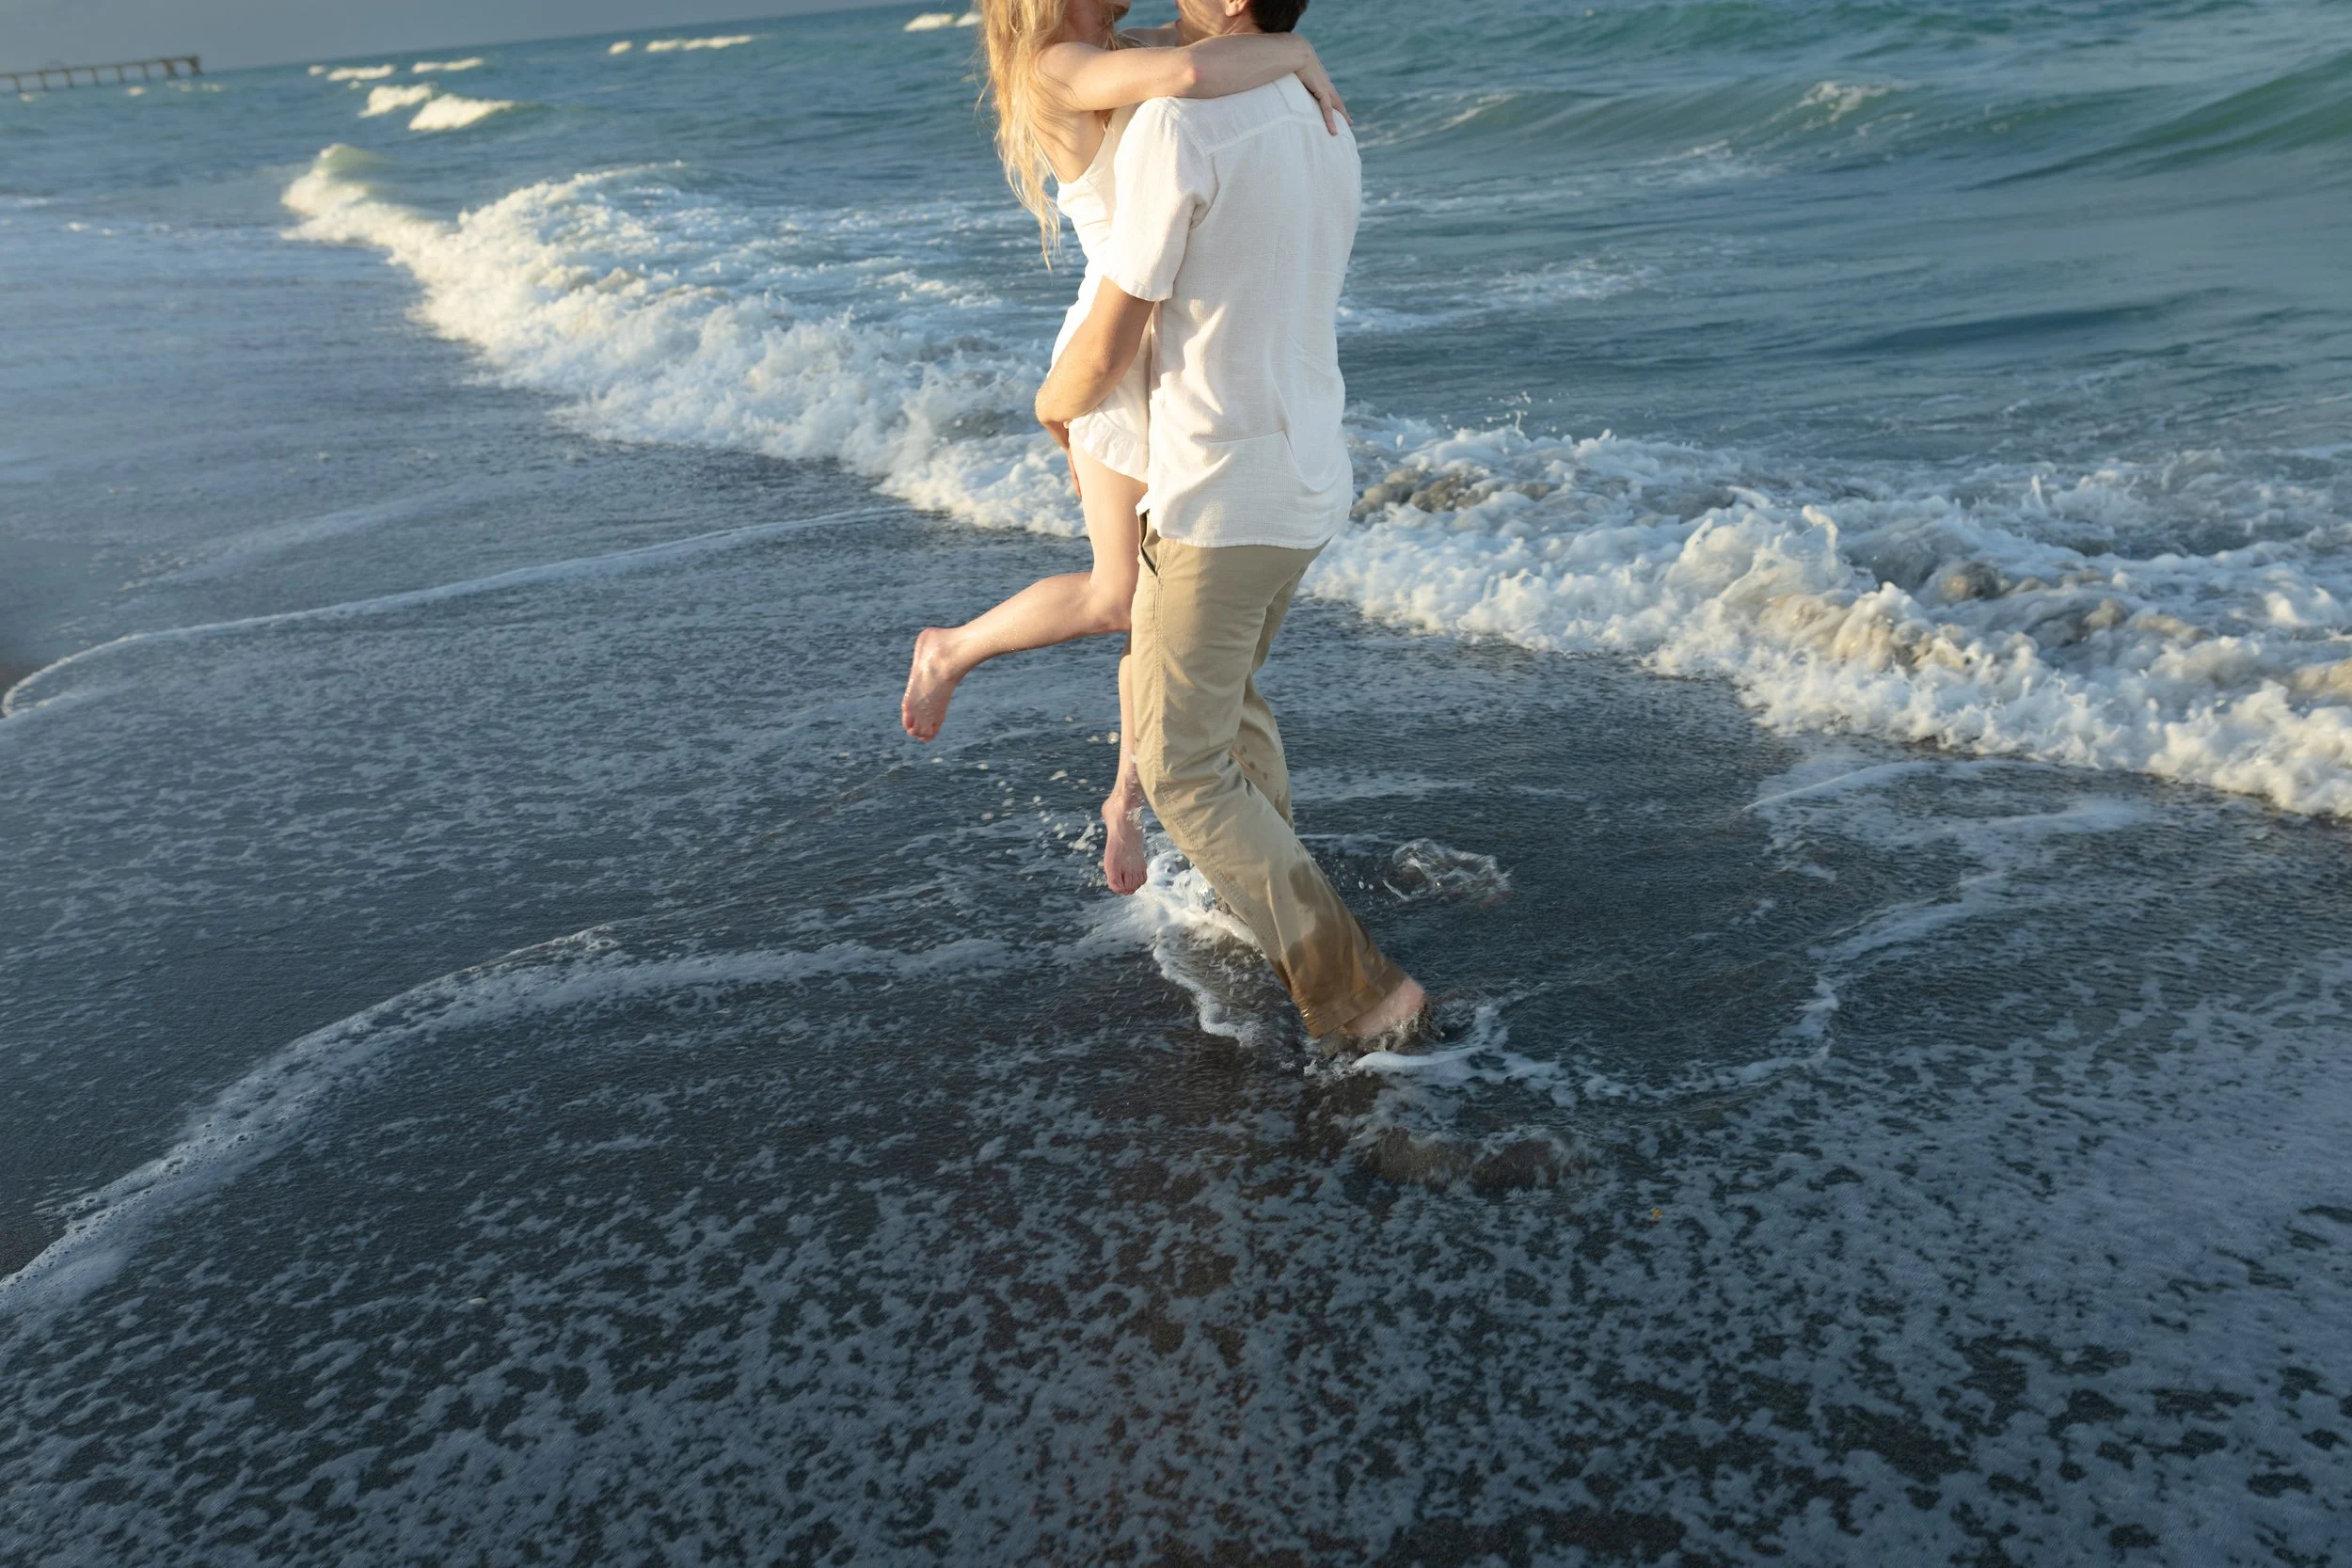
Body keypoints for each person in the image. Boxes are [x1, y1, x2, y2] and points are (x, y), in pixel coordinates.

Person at [1034, 0, 1427, 1041]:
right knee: (1229, 706)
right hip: (1304, 476)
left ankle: (1358, 993)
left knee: (1181, 766)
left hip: (1218, 490)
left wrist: (1053, 405)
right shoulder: (1319, 112)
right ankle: (1268, 898)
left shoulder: (1176, 125)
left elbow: (1119, 324)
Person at [900, 0, 1348, 898]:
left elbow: (1197, 58)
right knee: (1121, 595)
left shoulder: (1113, 46)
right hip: (1114, 349)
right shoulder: (1056, 67)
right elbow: (1192, 74)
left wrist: (1265, 54)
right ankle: (950, 650)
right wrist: (1291, 47)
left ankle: (1129, 798)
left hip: (1166, 345)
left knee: (1156, 600)